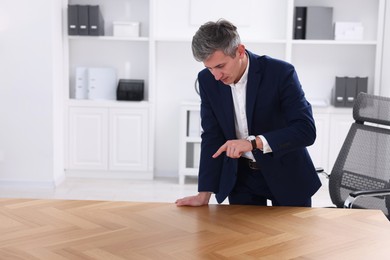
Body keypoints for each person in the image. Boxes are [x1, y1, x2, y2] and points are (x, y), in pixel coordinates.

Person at [175, 19, 321, 207]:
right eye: (209, 68)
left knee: (290, 237)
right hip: (241, 179)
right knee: (244, 236)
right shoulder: (207, 80)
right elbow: (212, 135)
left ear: (240, 51)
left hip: (287, 173)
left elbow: (305, 130)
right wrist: (204, 193)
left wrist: (252, 143)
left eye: (220, 66)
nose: (216, 76)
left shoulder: (280, 73)